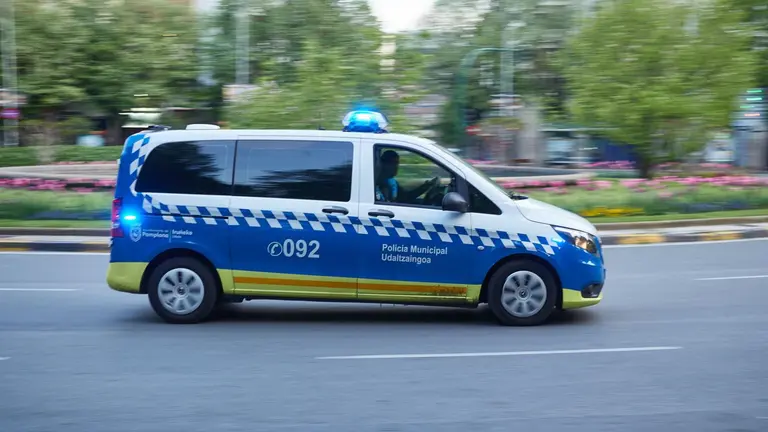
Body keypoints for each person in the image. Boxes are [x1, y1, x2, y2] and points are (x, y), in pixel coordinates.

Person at [375, 150, 440, 203]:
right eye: (394, 163)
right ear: (384, 165)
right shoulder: (376, 184)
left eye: (397, 163)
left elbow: (406, 197)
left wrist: (425, 187)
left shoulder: (391, 182)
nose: (397, 167)